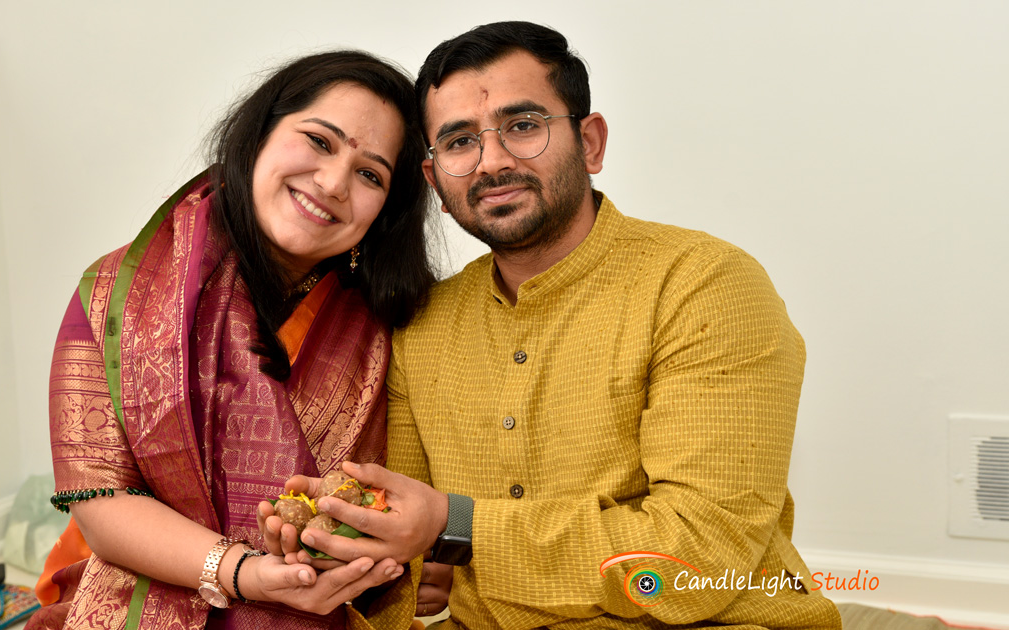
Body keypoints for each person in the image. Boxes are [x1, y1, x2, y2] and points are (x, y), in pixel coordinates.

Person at [265, 22, 843, 629]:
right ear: (435, 181)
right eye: (460, 141)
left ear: (590, 143)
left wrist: (454, 526)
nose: (492, 161)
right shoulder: (425, 323)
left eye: (523, 126)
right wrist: (326, 543)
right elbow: (407, 535)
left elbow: (694, 559)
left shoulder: (704, 286)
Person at [26, 50, 437, 630]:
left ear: (386, 213)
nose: (333, 182)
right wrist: (241, 570)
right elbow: (100, 503)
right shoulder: (117, 296)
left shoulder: (400, 328)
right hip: (138, 598)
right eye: (320, 141)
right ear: (258, 134)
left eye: (371, 174)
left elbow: (418, 503)